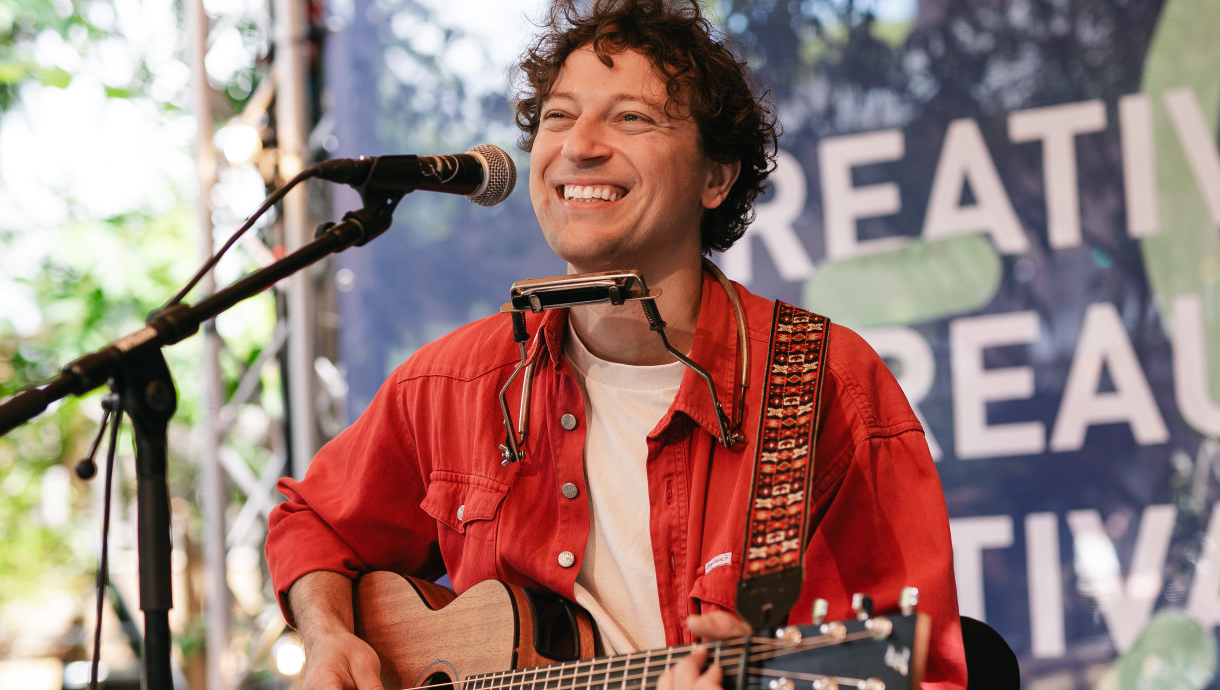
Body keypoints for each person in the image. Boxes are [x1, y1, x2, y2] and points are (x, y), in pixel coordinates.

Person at [264, 1, 966, 689]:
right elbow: (314, 523)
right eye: (558, 117)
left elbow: (924, 673)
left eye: (631, 118)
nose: (579, 145)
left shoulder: (823, 383)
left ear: (716, 178)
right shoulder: (454, 382)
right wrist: (328, 636)